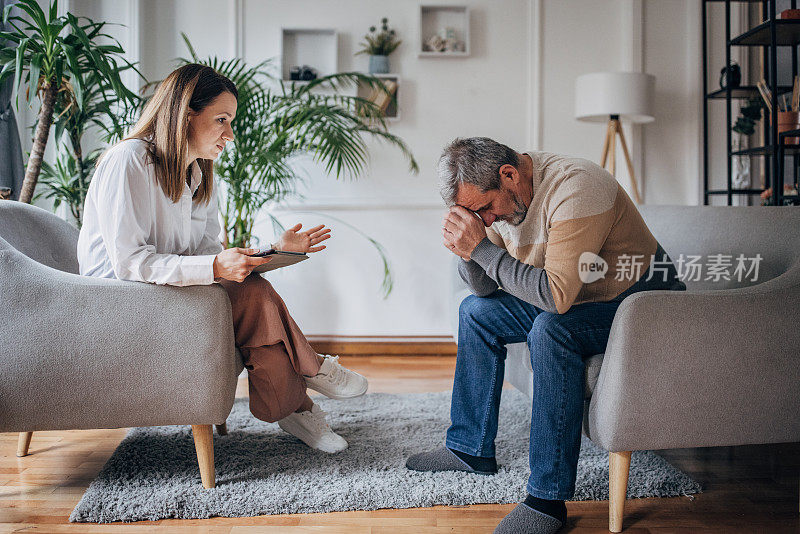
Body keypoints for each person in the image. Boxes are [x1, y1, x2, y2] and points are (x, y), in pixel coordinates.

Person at [77, 64, 368, 453]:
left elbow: (205, 253)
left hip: (164, 292)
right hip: (119, 301)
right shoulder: (129, 160)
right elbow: (130, 263)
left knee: (250, 289)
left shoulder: (198, 174)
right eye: (222, 119)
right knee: (251, 295)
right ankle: (306, 380)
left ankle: (301, 397)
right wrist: (216, 267)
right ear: (185, 114)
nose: (230, 134)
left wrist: (270, 250)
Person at [406, 137, 686, 533]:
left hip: (641, 304)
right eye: (474, 215)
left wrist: (481, 248)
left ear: (509, 176)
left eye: (485, 209)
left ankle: (547, 501)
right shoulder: (501, 205)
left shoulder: (577, 187)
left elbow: (555, 297)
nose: (485, 220)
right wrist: (469, 249)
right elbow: (486, 290)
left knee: (552, 331)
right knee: (475, 312)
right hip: (583, 297)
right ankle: (469, 448)